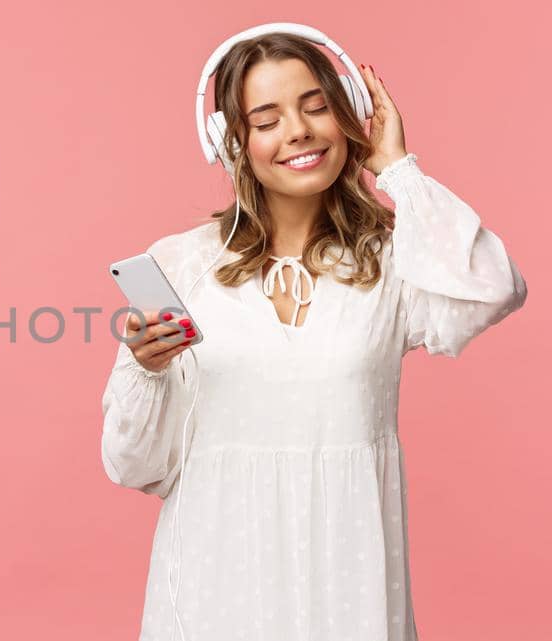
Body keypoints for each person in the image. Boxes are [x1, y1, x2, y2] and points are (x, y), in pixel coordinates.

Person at [100, 32, 528, 640]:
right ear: (233, 145)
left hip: (346, 575)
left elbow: (494, 288)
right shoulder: (182, 265)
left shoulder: (393, 260)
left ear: (348, 113)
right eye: (267, 119)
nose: (298, 130)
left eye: (317, 106)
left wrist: (398, 170)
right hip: (213, 576)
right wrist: (148, 369)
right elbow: (134, 464)